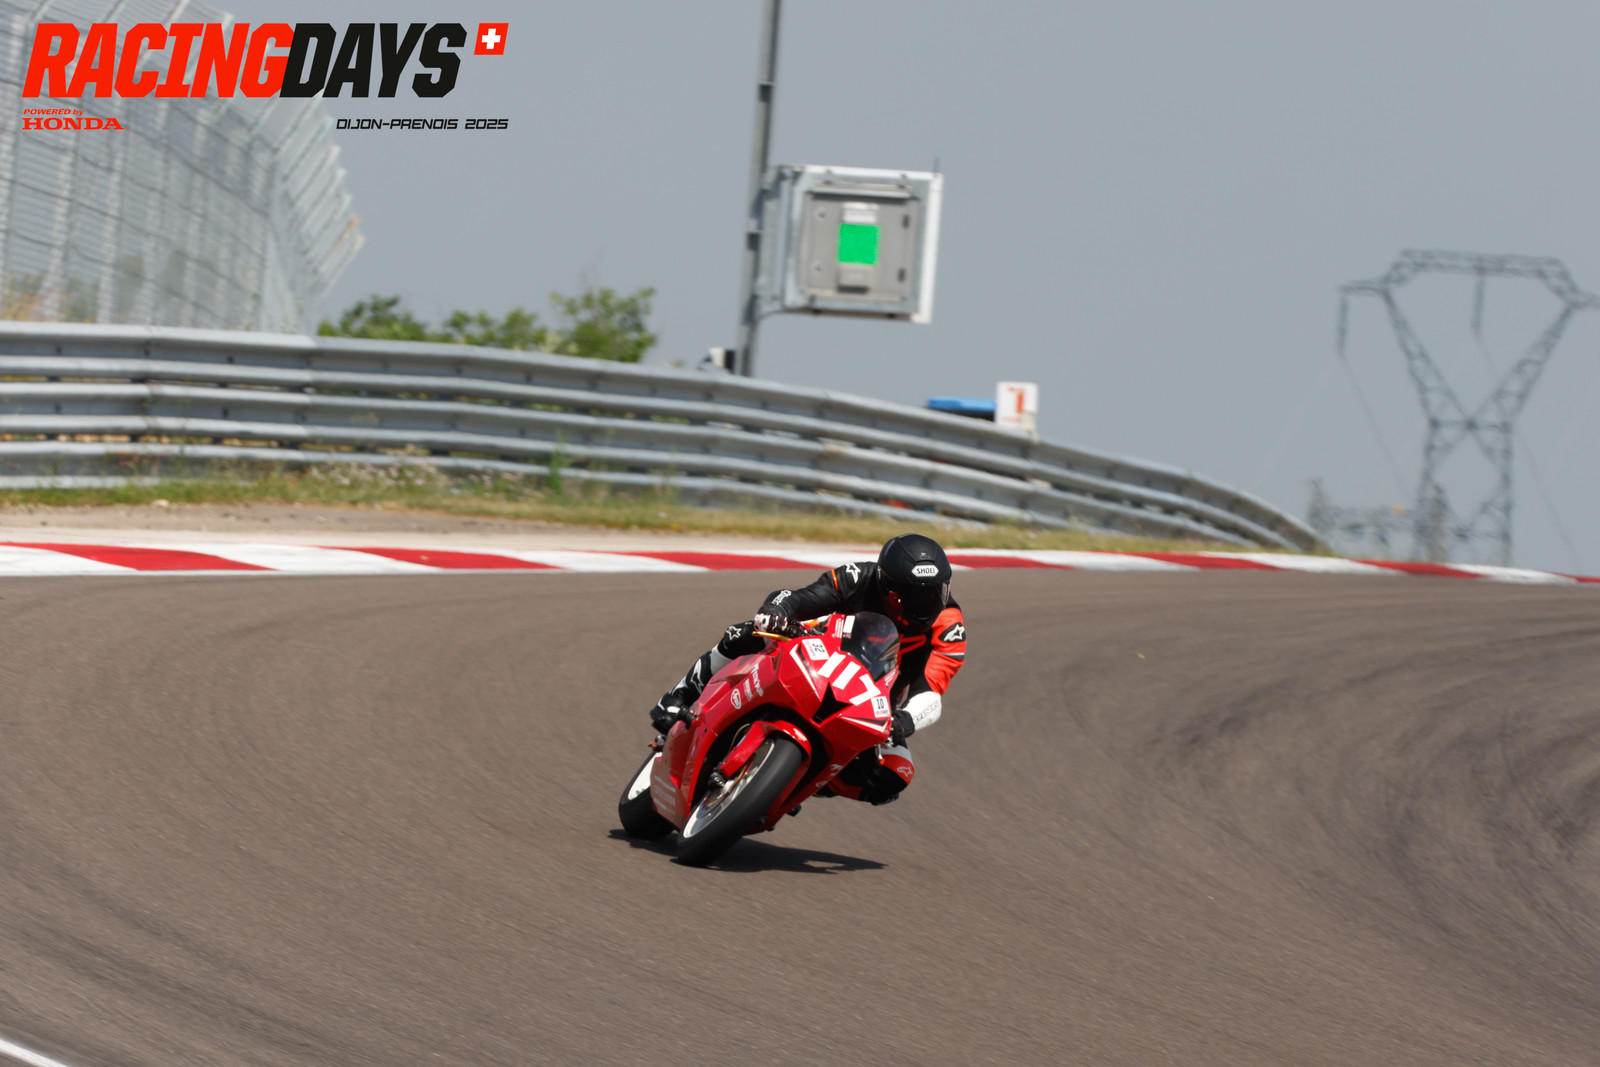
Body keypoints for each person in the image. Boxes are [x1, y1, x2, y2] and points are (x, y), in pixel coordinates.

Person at [647, 532, 967, 805]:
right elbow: (802, 598)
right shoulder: (859, 577)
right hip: (817, 655)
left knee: (895, 775)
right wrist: (776, 610)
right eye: (915, 597)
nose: (929, 606)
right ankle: (681, 695)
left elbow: (931, 690)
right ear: (889, 589)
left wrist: (906, 719)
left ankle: (799, 781)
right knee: (745, 633)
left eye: (937, 592)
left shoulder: (949, 625)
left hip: (871, 705)